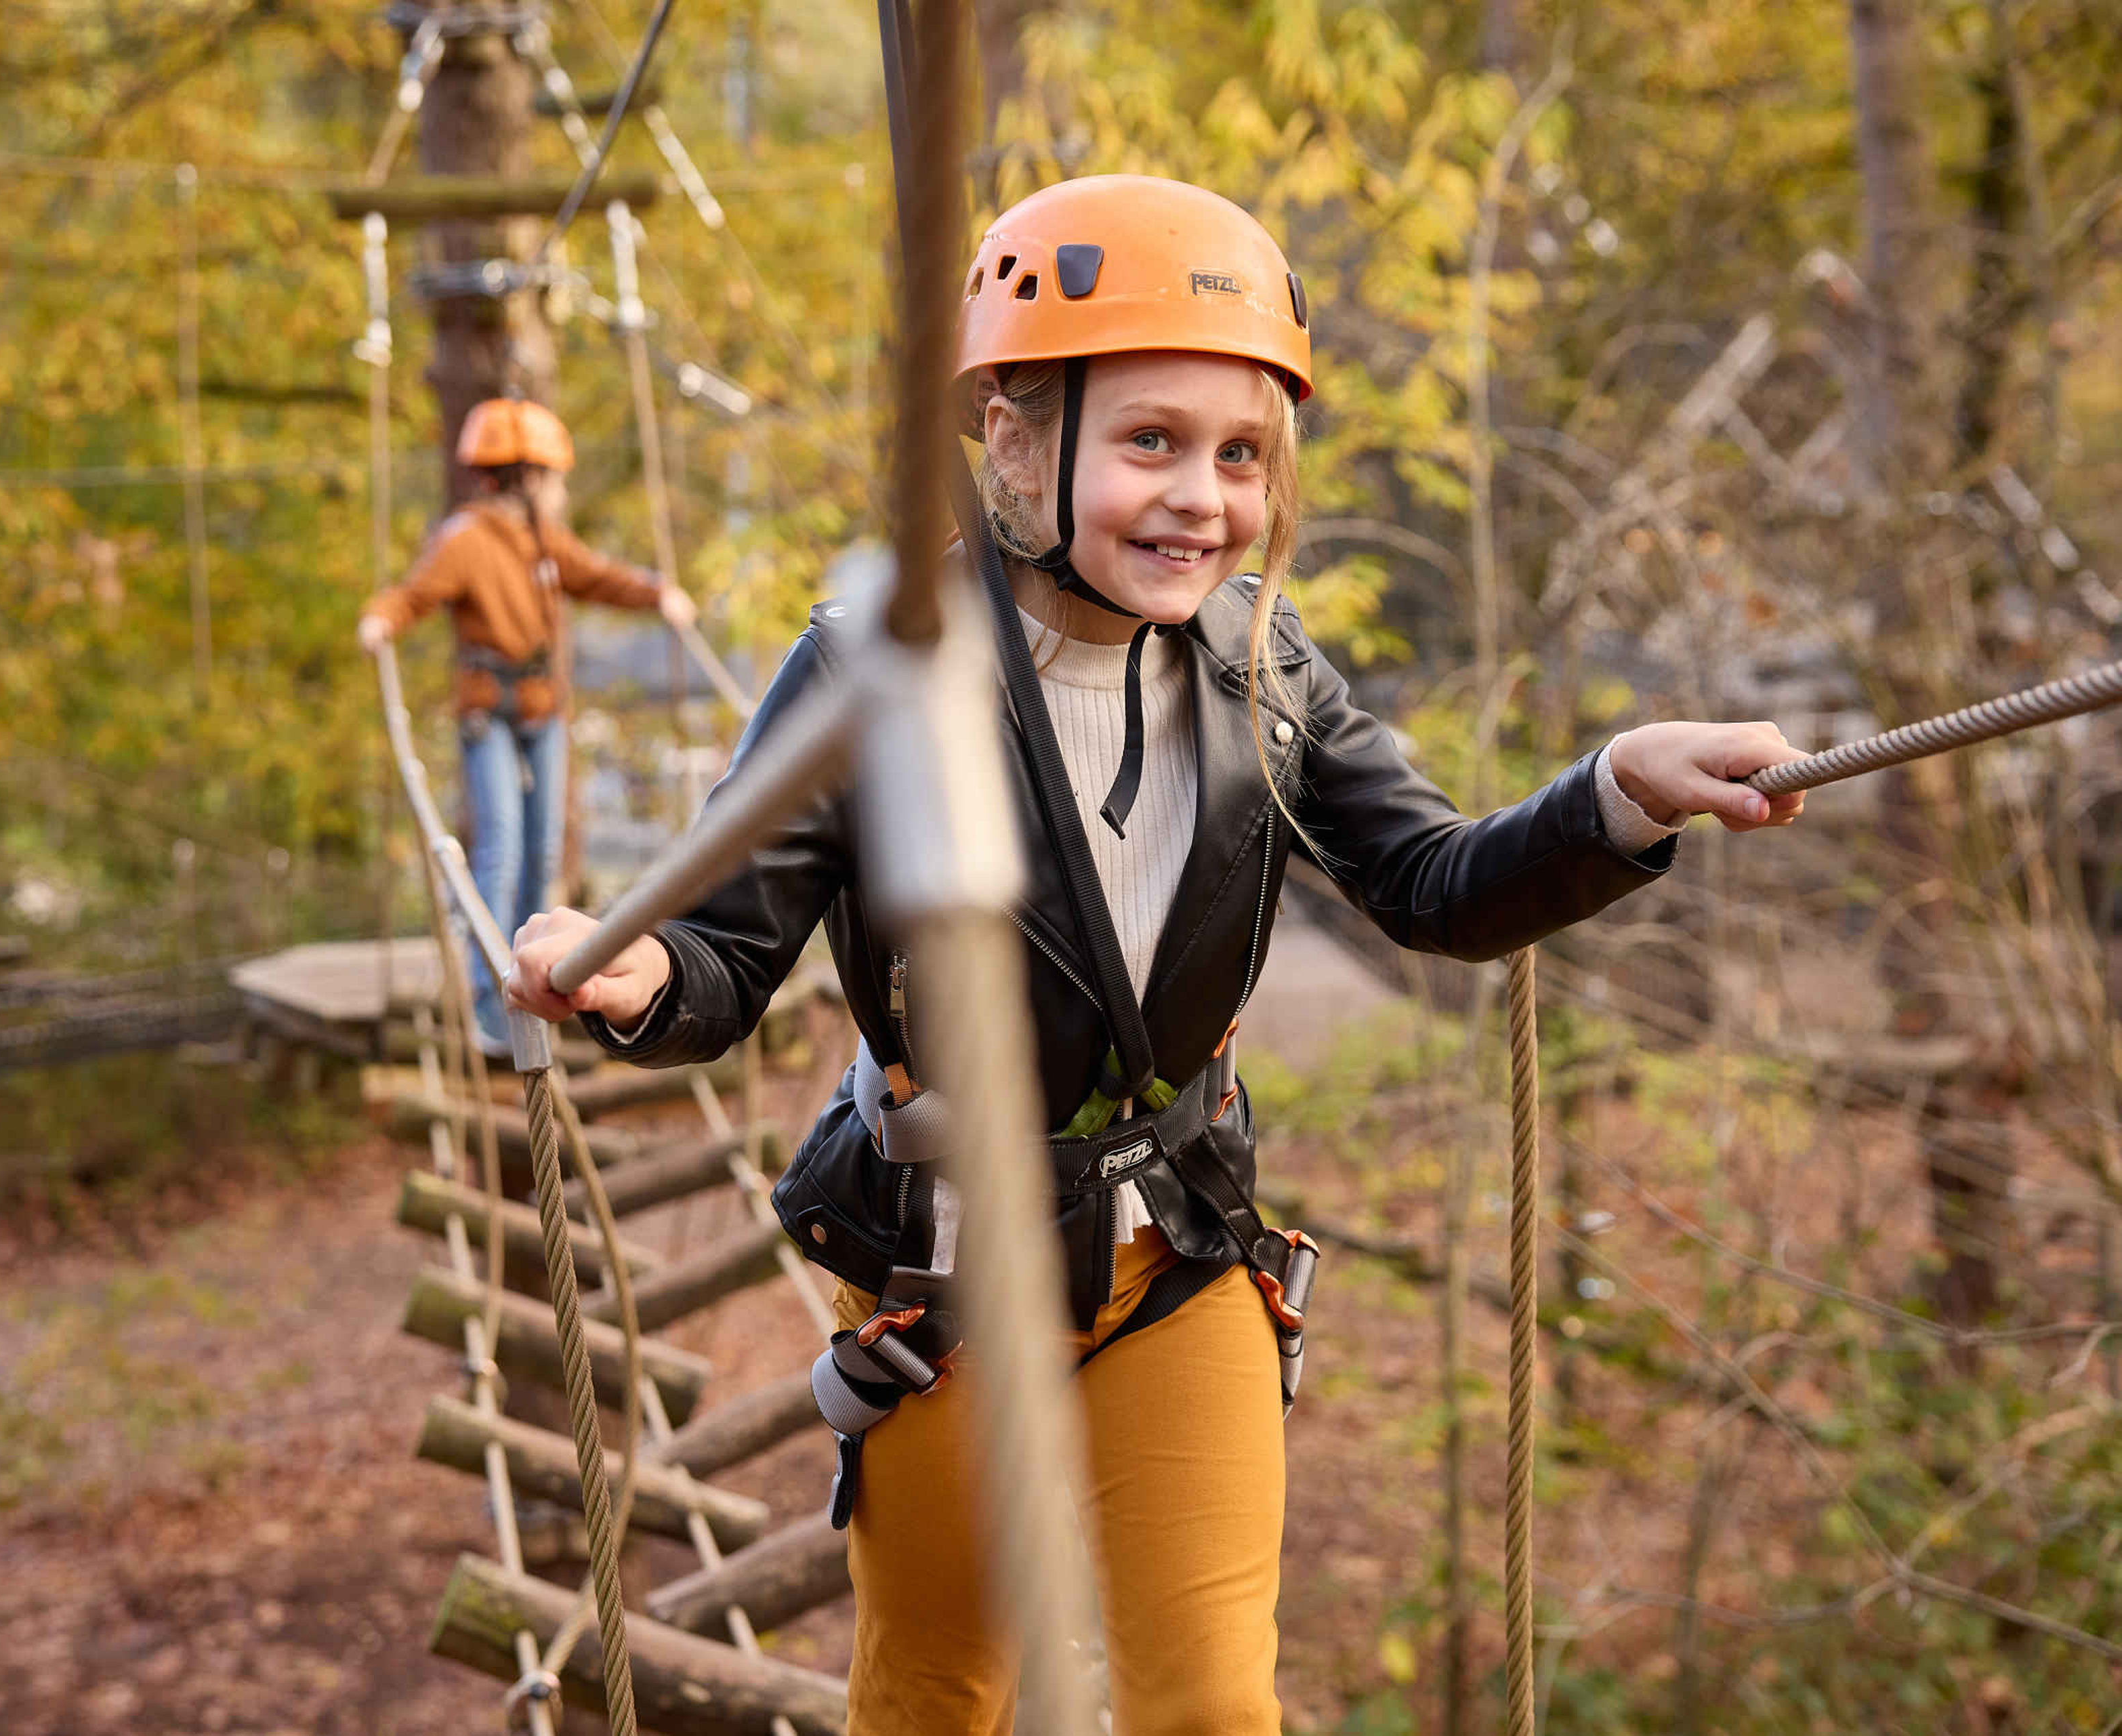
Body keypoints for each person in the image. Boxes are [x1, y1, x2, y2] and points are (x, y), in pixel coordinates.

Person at [503, 176, 1806, 1735]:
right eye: (1150, 443)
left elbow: (1433, 883)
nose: (1203, 497)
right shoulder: (879, 666)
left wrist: (1611, 799)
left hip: (1179, 1249)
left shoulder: (1260, 665)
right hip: (946, 1267)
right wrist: (636, 978)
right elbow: (724, 953)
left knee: (1209, 1704)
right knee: (933, 1686)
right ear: (1009, 439)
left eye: (1239, 454)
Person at [358, 395, 696, 1056]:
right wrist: (381, 620)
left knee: (542, 855)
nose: (561, 490)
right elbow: (414, 594)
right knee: (501, 850)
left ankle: (531, 984)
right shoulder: (466, 541)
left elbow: (597, 577)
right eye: (555, 477)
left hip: (543, 712)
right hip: (491, 714)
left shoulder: (544, 542)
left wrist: (658, 592)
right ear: (528, 479)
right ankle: (489, 1005)